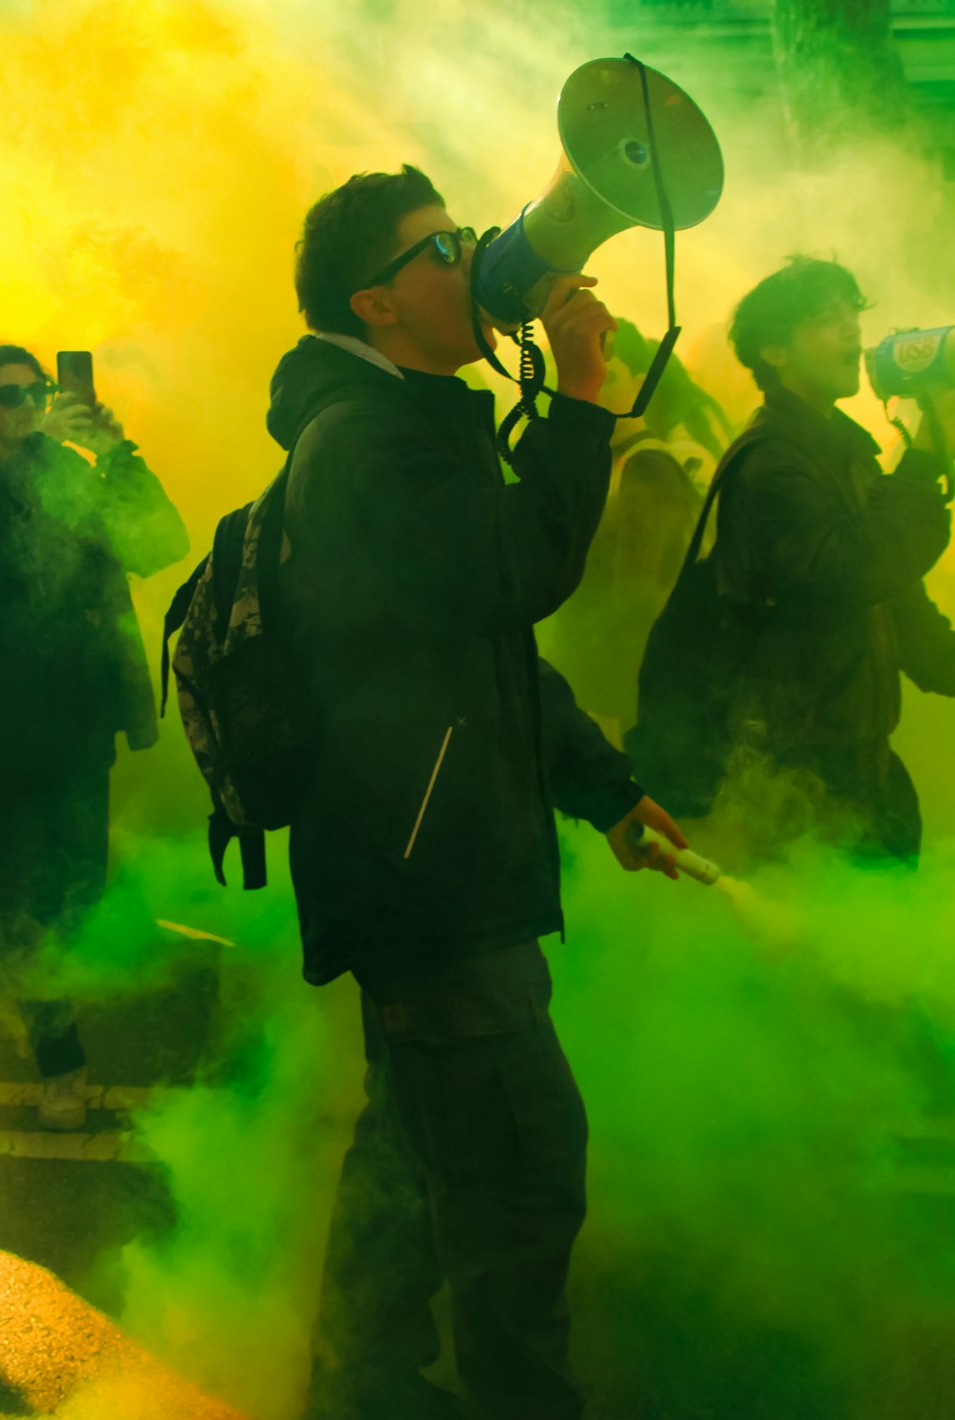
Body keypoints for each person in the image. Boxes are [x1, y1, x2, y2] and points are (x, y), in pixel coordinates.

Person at [266, 165, 687, 1420]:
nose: (475, 257)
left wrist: (604, 787)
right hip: (428, 872)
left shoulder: (410, 422)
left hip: (429, 859)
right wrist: (579, 400)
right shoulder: (362, 443)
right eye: (440, 248)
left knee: (414, 1152)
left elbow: (483, 650)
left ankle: (362, 1385)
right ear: (375, 305)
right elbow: (519, 575)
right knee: (518, 1168)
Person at [0, 344, 188, 1127]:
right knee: (24, 902)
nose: (27, 406)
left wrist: (115, 449)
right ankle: (62, 1066)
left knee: (76, 897)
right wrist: (27, 461)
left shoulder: (75, 473)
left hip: (76, 721)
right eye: (9, 396)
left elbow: (161, 542)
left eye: (38, 392)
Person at [714, 256, 955, 860]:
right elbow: (850, 572)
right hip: (799, 782)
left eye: (853, 315)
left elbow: (898, 605)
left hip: (863, 771)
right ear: (775, 351)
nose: (853, 331)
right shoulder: (771, 463)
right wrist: (925, 456)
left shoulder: (844, 453)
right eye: (828, 319)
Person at [541, 320, 730, 744]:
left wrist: (608, 710)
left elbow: (636, 603)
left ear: (642, 386)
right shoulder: (609, 465)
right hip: (601, 690)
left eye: (608, 377)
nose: (591, 388)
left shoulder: (649, 467)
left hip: (631, 705)